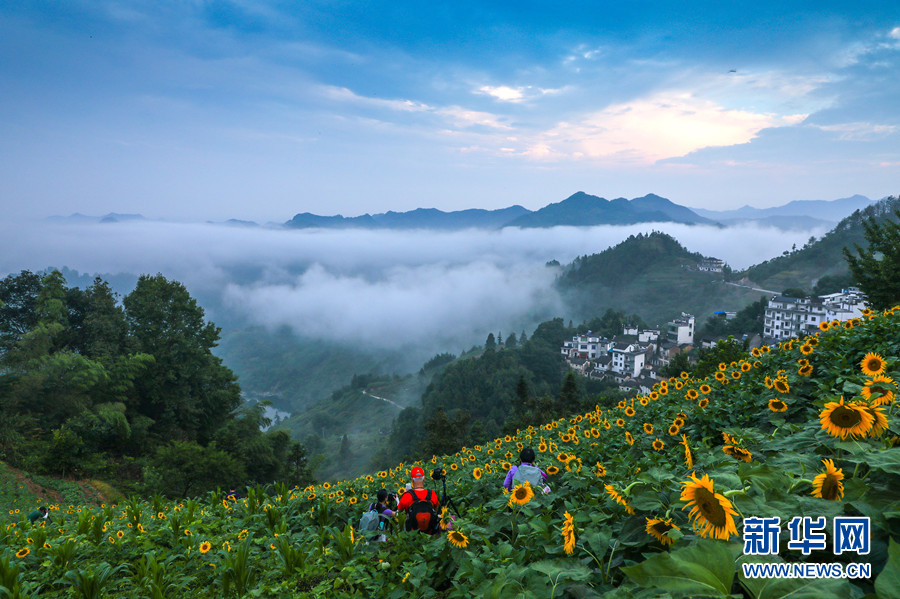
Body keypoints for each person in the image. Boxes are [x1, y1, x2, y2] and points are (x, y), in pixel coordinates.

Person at [397, 466, 440, 533]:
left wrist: (404, 494)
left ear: (412, 480)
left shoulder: (407, 495)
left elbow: (399, 511)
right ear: (424, 478)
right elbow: (437, 510)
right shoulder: (432, 494)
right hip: (429, 534)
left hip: (413, 535)